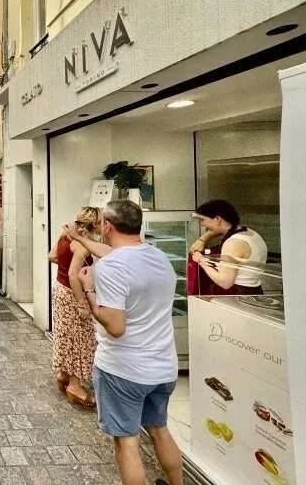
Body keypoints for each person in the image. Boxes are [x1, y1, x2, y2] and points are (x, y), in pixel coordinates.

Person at [67, 200, 182, 485]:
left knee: (127, 442)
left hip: (124, 370)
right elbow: (116, 255)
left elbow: (115, 327)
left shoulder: (110, 267)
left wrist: (89, 289)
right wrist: (80, 238)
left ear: (107, 226)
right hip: (163, 367)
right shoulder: (158, 257)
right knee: (159, 430)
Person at [48, 206, 101, 409]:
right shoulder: (83, 245)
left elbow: (52, 256)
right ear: (94, 225)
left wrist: (65, 263)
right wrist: (82, 303)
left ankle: (63, 375)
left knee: (65, 335)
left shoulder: (65, 235)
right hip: (72, 294)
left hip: (59, 290)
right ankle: (75, 387)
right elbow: (73, 274)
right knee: (80, 339)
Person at [189, 199, 268, 294]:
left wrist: (201, 260)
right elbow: (217, 230)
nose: (202, 224)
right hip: (253, 290)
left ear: (217, 219)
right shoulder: (249, 233)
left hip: (237, 294)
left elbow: (225, 283)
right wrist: (203, 239)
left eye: (203, 220)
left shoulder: (233, 243)